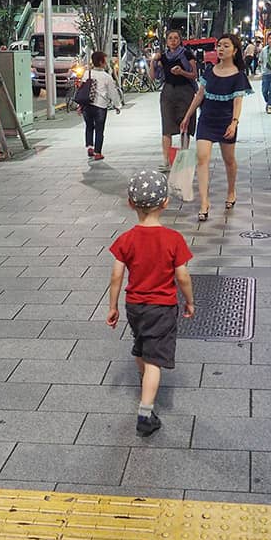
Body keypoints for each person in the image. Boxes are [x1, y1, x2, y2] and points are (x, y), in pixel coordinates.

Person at [106, 170, 195, 437]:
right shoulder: (173, 240)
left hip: (135, 306)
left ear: (131, 203)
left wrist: (112, 307)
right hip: (162, 307)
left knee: (141, 348)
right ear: (166, 202)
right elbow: (182, 276)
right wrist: (189, 301)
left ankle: (145, 379)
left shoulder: (126, 240)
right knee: (155, 359)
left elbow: (116, 276)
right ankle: (146, 413)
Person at [180, 34, 252, 220]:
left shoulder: (238, 75)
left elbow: (237, 102)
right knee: (202, 158)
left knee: (229, 160)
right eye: (219, 45)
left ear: (235, 51)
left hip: (226, 121)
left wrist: (234, 122)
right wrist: (187, 116)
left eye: (226, 46)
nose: (221, 49)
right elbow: (199, 95)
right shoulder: (209, 71)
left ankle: (231, 191)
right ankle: (204, 201)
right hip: (207, 120)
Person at [150, 29, 198, 171]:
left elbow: (194, 75)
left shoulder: (187, 54)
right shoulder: (163, 57)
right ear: (167, 41)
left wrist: (182, 72)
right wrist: (153, 61)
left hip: (185, 92)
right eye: (170, 38)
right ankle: (166, 160)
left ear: (180, 40)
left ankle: (183, 159)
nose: (173, 40)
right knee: (167, 127)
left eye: (176, 38)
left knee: (185, 127)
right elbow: (153, 77)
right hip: (168, 92)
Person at [80, 51, 122, 161]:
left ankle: (90, 146)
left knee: (89, 126)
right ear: (101, 62)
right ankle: (98, 153)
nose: (106, 63)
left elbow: (82, 90)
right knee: (99, 129)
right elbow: (112, 92)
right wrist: (117, 105)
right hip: (100, 106)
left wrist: (80, 105)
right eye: (105, 60)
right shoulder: (106, 77)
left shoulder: (87, 74)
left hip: (87, 105)